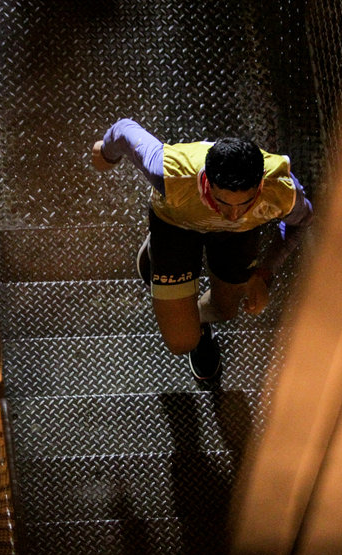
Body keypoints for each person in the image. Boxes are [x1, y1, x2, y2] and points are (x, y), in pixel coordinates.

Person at [91, 118, 314, 381]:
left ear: (260, 185)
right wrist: (106, 153)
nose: (232, 214)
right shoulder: (170, 172)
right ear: (206, 181)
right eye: (222, 202)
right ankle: (155, 248)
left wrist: (265, 272)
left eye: (245, 203)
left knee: (226, 310)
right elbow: (124, 130)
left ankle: (199, 322)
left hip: (237, 235)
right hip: (175, 225)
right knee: (181, 342)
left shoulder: (281, 188)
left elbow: (301, 223)